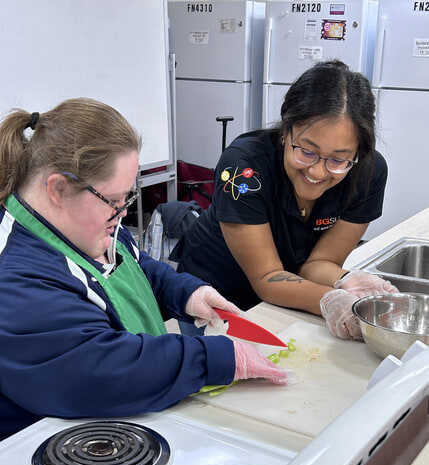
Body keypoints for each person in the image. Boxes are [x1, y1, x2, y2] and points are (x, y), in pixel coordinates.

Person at [0, 98, 290, 441]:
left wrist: (186, 293)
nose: (122, 213)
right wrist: (221, 359)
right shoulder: (16, 279)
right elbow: (104, 368)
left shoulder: (86, 225)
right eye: (114, 201)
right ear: (59, 188)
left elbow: (135, 265)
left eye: (127, 199)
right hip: (45, 449)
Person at [175, 60, 398, 340]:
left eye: (338, 159)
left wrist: (347, 281)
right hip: (215, 295)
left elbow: (318, 263)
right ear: (285, 130)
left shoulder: (368, 173)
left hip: (288, 295)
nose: (317, 171)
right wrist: (330, 299)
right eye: (306, 151)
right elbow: (267, 276)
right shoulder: (243, 168)